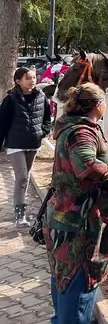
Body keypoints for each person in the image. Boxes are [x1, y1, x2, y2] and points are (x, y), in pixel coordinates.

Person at [44, 83, 108, 324]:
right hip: (79, 224)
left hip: (69, 217)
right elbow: (85, 163)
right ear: (99, 105)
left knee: (64, 279)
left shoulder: (77, 127)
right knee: (77, 284)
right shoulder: (82, 132)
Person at [0, 67, 53, 227]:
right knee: (22, 176)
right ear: (18, 81)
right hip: (15, 144)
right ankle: (20, 216)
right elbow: (2, 123)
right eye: (28, 78)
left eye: (33, 77)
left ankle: (20, 212)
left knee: (25, 177)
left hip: (33, 143)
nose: (32, 80)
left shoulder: (41, 96)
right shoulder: (10, 99)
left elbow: (47, 118)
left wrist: (42, 132)